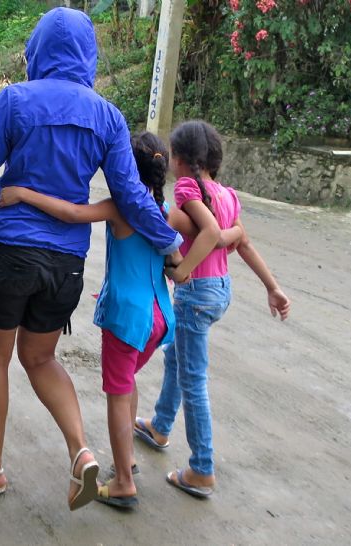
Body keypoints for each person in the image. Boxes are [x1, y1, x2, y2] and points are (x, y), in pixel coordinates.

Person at [0, 8, 183, 511]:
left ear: (37, 50)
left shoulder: (15, 101)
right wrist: (170, 244)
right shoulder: (108, 116)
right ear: (88, 55)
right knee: (41, 358)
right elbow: (132, 197)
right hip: (65, 266)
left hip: (8, 254)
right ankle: (81, 451)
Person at [0, 131, 236, 510]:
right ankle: (129, 460)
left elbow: (73, 213)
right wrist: (191, 261)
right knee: (127, 385)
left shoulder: (120, 207)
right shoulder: (164, 211)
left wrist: (24, 194)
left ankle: (124, 481)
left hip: (126, 319)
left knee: (117, 396)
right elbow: (204, 234)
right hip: (160, 317)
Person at [133, 120, 291, 499]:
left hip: (196, 294)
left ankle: (202, 468)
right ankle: (160, 425)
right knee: (177, 357)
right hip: (220, 290)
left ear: (180, 159)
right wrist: (272, 287)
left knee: (193, 379)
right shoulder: (226, 195)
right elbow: (242, 242)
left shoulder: (188, 189)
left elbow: (212, 234)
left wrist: (182, 271)